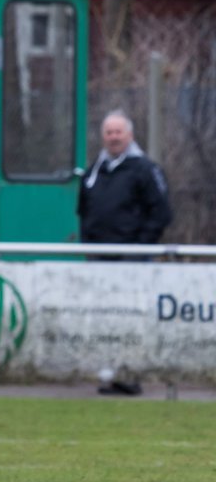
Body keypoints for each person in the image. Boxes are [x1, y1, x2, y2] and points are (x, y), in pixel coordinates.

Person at [77, 110, 173, 394]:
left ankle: (131, 374)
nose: (114, 137)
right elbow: (83, 211)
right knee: (105, 317)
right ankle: (110, 373)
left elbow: (161, 213)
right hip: (100, 261)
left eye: (119, 132)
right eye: (109, 132)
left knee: (131, 317)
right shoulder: (95, 170)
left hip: (132, 261)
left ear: (129, 135)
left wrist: (139, 247)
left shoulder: (145, 169)